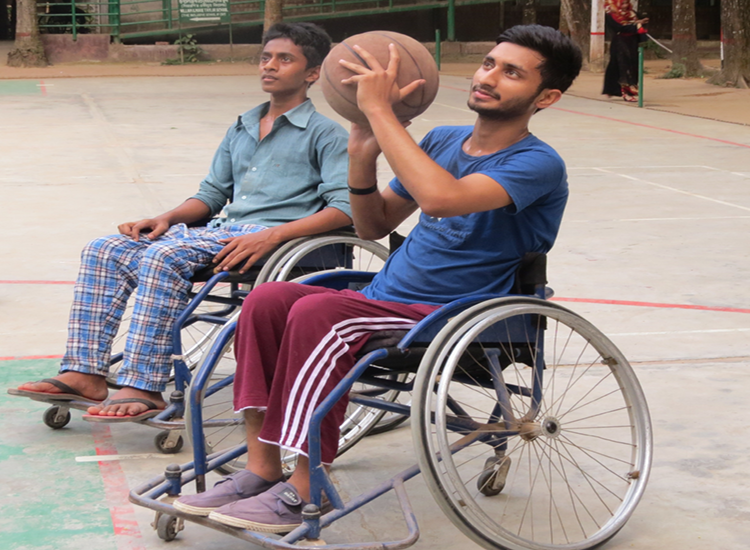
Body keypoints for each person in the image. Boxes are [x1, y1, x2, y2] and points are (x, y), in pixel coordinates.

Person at [172, 24, 582, 533]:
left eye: (512, 73)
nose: (489, 77)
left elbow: (441, 199)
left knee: (319, 310)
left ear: (546, 97)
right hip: (385, 299)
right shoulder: (443, 140)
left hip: (453, 314)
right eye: (488, 64)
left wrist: (380, 111)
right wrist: (362, 157)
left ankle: (306, 490)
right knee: (268, 299)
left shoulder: (537, 162)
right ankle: (261, 468)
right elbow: (373, 224)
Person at [10, 22, 352, 421]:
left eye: (284, 59)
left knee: (164, 256)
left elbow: (345, 209)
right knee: (105, 250)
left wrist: (273, 235)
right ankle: (85, 372)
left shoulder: (326, 134)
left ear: (312, 73)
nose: (269, 66)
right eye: (265, 57)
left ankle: (144, 385)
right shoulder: (242, 127)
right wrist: (165, 218)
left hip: (277, 239)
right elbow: (211, 195)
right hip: (224, 231)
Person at [602, 0, 649, 102]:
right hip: (620, 43)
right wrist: (635, 26)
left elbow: (640, 22)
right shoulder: (612, 15)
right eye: (622, 3)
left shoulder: (632, 13)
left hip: (632, 42)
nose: (625, 6)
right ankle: (625, 92)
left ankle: (625, 89)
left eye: (626, 3)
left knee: (633, 65)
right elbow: (619, 28)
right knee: (622, 66)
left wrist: (641, 23)